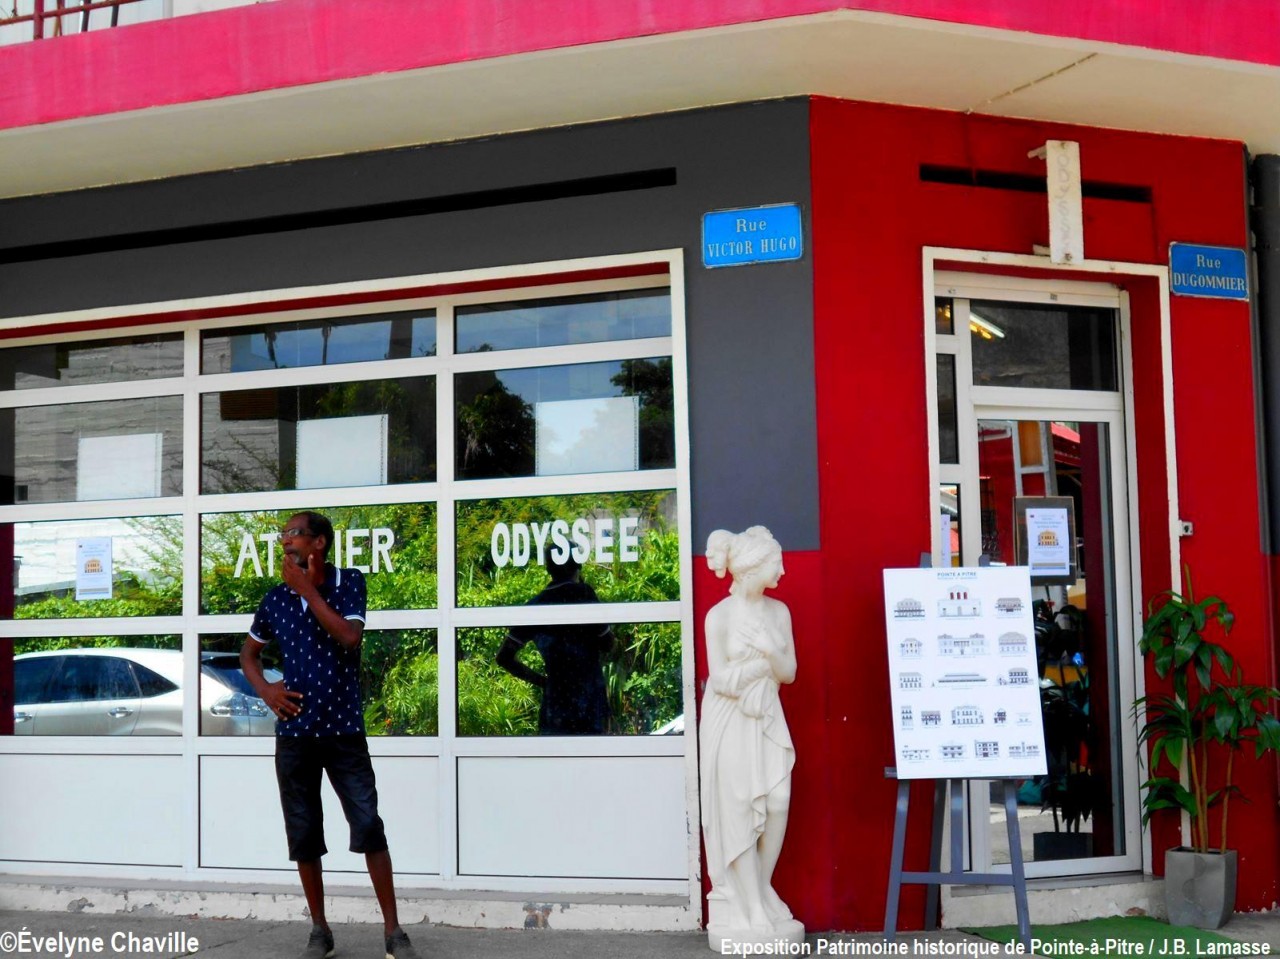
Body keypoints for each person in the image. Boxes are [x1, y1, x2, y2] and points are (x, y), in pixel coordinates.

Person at [241, 511, 422, 959]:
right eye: (283, 535)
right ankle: (320, 931)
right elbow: (249, 655)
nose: (286, 541)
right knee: (304, 834)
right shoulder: (275, 599)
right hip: (295, 734)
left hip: (343, 731)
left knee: (368, 825)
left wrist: (308, 590)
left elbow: (349, 636)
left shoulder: (349, 582)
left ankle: (394, 932)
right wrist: (267, 691)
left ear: (319, 542)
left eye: (295, 534)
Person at [700, 526, 798, 934]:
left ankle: (760, 885)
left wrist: (771, 649)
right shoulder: (719, 617)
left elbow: (789, 672)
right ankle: (753, 907)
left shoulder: (779, 613)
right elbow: (721, 680)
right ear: (753, 568)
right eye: (776, 564)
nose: (782, 572)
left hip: (766, 714)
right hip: (729, 719)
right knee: (739, 808)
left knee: (778, 799)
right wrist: (762, 664)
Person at [496, 555, 613, 735]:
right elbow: (608, 644)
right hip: (590, 702)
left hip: (556, 705)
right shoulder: (584, 594)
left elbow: (504, 657)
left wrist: (544, 682)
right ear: (578, 566)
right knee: (592, 752)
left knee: (555, 752)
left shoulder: (535, 606)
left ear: (548, 568)